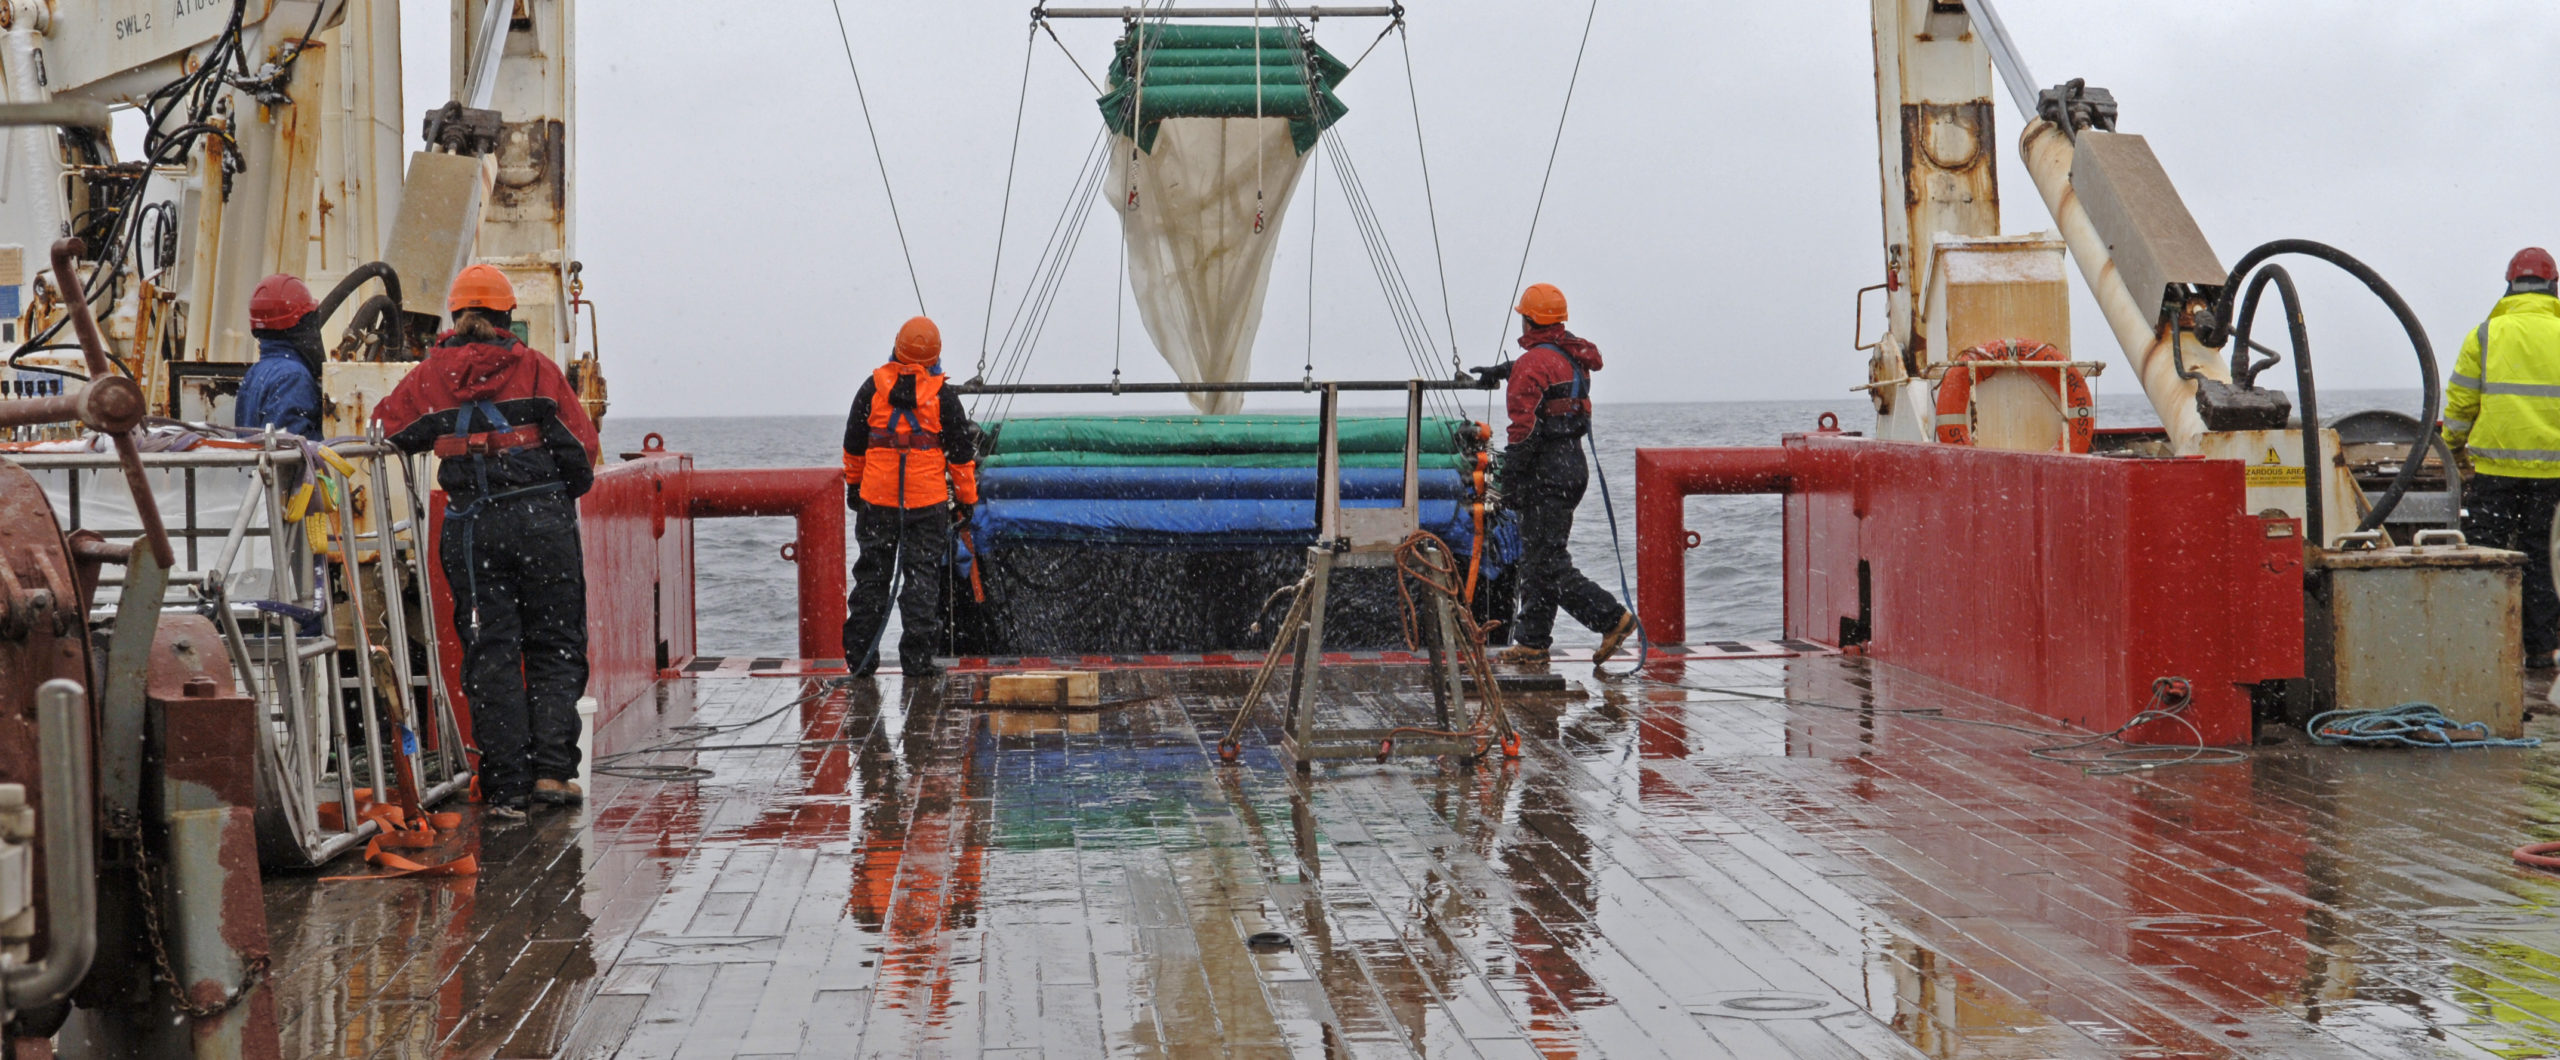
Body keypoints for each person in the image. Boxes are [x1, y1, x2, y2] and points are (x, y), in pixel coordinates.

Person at [373, 264, 599, 819]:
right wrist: (548, 497)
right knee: (555, 645)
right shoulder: (539, 371)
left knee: (491, 651)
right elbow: (581, 452)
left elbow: (385, 432)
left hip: (473, 529)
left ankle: (505, 786)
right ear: (507, 318)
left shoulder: (428, 378)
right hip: (542, 523)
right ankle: (553, 772)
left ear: (454, 317)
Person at [1476, 283, 1637, 667]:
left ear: (1528, 319)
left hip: (1545, 470)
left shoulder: (1534, 364)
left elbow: (1524, 431)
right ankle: (1531, 642)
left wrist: (1505, 483)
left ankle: (1612, 618)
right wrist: (1503, 370)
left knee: (1547, 564)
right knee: (1538, 558)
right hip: (1571, 465)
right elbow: (1548, 370)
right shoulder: (1571, 355)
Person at [841, 316, 981, 678]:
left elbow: (854, 447)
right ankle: (917, 662)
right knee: (922, 579)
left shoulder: (871, 389)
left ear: (896, 348)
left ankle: (860, 659)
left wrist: (855, 488)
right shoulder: (942, 397)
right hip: (927, 504)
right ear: (936, 355)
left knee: (872, 577)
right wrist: (966, 500)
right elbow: (962, 458)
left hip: (877, 501)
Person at [2448, 247, 2560, 669]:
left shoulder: (2485, 334)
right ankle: (2541, 651)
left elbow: (2460, 404)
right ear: (2553, 286)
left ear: (2509, 285)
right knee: (2544, 561)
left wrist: (2456, 453)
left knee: (2487, 555)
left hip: (2494, 471)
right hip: (2554, 474)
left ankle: (2484, 645)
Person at [236, 274, 325, 437]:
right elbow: (291, 450)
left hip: (253, 463)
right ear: (302, 322)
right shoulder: (293, 377)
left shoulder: (254, 372)